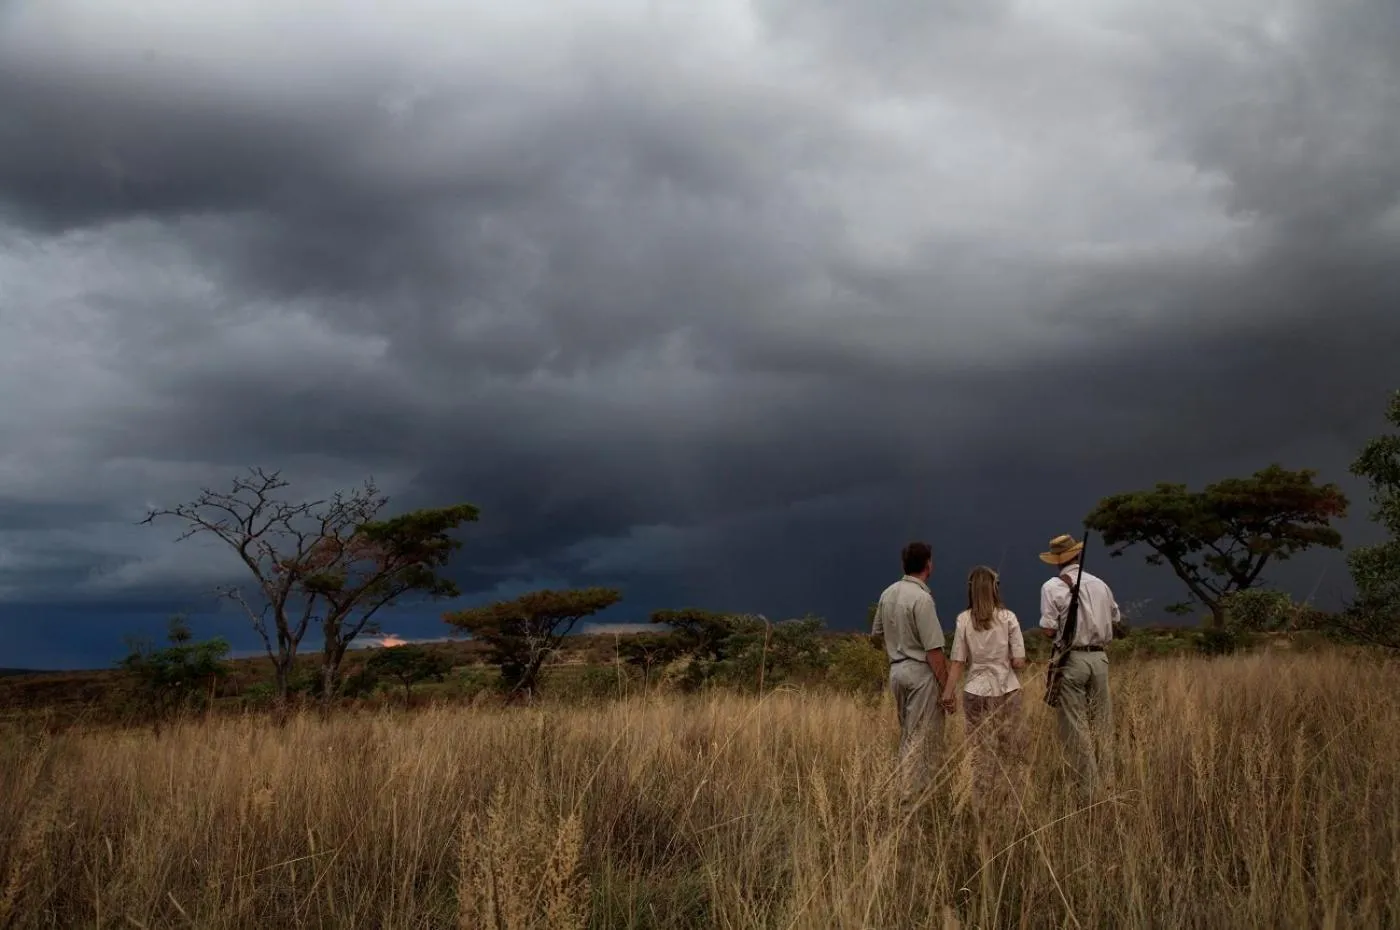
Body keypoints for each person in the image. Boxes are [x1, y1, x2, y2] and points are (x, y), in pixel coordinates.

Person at [1038, 533, 1122, 800]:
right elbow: (1116, 618)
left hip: (1071, 660)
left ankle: (1088, 790)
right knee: (1103, 723)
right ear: (1076, 555)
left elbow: (1049, 630)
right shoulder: (1101, 584)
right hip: (1100, 659)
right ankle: (1108, 785)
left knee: (1076, 726)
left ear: (1057, 561)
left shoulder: (1051, 586)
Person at [870, 541, 949, 799]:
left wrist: (897, 647)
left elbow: (875, 635)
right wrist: (948, 688)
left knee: (908, 734)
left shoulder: (887, 593)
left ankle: (906, 790)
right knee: (921, 739)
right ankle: (910, 797)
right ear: (928, 564)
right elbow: (934, 651)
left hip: (896, 671)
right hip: (920, 674)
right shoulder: (922, 598)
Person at [940, 566, 1027, 795]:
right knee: (1010, 748)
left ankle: (981, 798)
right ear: (994, 588)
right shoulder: (1009, 618)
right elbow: (1019, 661)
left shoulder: (963, 620)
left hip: (975, 690)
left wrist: (947, 693)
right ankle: (1008, 799)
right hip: (1007, 689)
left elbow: (958, 661)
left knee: (978, 751)